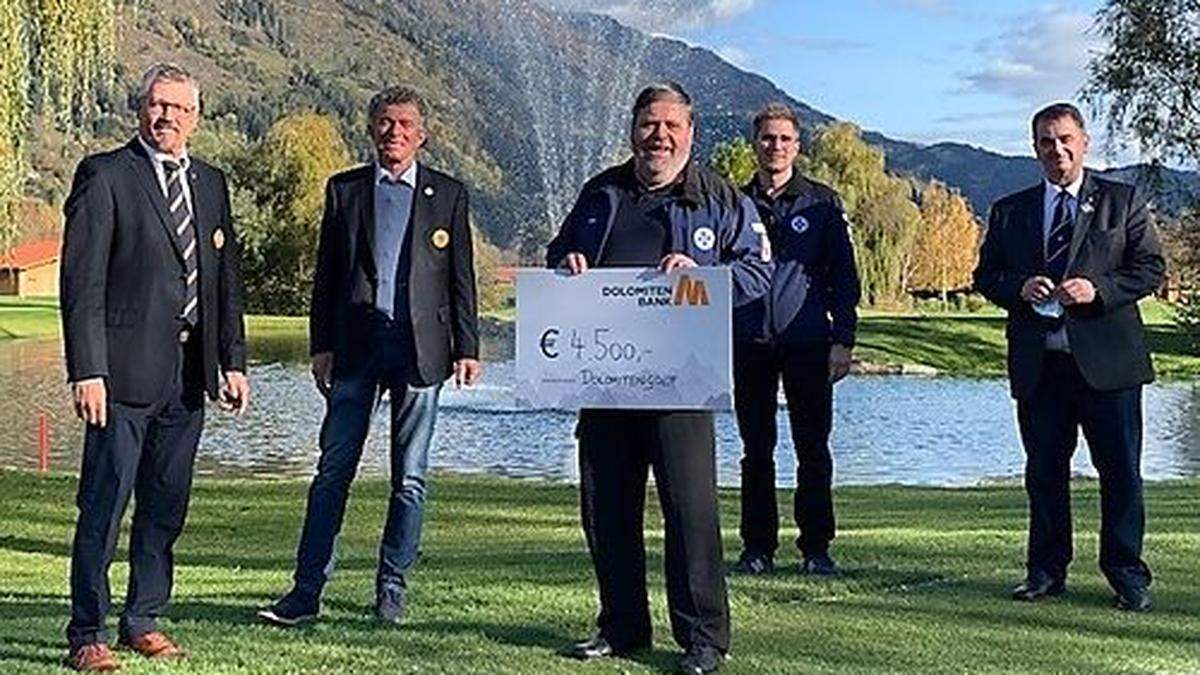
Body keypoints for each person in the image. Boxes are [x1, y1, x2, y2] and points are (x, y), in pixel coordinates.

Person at [547, 82, 771, 675]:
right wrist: (567, 265)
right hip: (603, 378)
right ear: (633, 129)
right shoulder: (601, 193)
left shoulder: (718, 197)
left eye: (672, 126)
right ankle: (621, 626)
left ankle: (703, 638)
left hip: (682, 383)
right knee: (606, 507)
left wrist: (704, 273)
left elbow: (758, 276)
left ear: (690, 133)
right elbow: (557, 256)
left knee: (690, 511)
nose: (660, 136)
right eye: (650, 124)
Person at [259, 85, 480, 627]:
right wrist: (321, 346)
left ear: (421, 134)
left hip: (422, 351)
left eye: (405, 123)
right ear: (371, 128)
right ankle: (306, 591)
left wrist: (467, 349)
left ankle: (392, 589)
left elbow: (461, 280)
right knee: (333, 470)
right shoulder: (345, 191)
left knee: (410, 477)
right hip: (356, 348)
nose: (394, 132)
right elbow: (327, 276)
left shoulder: (448, 195)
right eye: (385, 122)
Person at [60, 62, 249, 671]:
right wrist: (87, 370)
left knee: (166, 505)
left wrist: (233, 361)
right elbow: (81, 284)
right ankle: (87, 631)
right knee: (104, 504)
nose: (166, 116)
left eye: (178, 108)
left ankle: (143, 618)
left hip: (188, 378)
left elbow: (225, 282)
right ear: (141, 109)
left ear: (195, 117)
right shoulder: (106, 175)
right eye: (156, 104)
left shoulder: (213, 184)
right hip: (119, 379)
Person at [973, 102, 1164, 612]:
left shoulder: (1122, 202)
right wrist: (1019, 287)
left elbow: (1150, 269)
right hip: (1042, 366)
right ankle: (1045, 572)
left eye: (1064, 140)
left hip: (1110, 367)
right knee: (1044, 473)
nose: (1056, 150)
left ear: (1084, 142)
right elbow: (986, 277)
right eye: (1045, 142)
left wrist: (1098, 289)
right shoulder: (1010, 211)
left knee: (1120, 472)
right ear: (1034, 148)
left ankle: (1126, 574)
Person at [729, 103, 859, 577]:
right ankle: (757, 547)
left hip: (807, 341)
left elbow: (844, 276)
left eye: (785, 139)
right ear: (755, 143)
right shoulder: (735, 203)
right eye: (767, 138)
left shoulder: (821, 203)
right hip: (748, 342)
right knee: (755, 448)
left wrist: (842, 338)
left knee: (813, 448)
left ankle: (816, 547)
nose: (775, 146)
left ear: (797, 146)